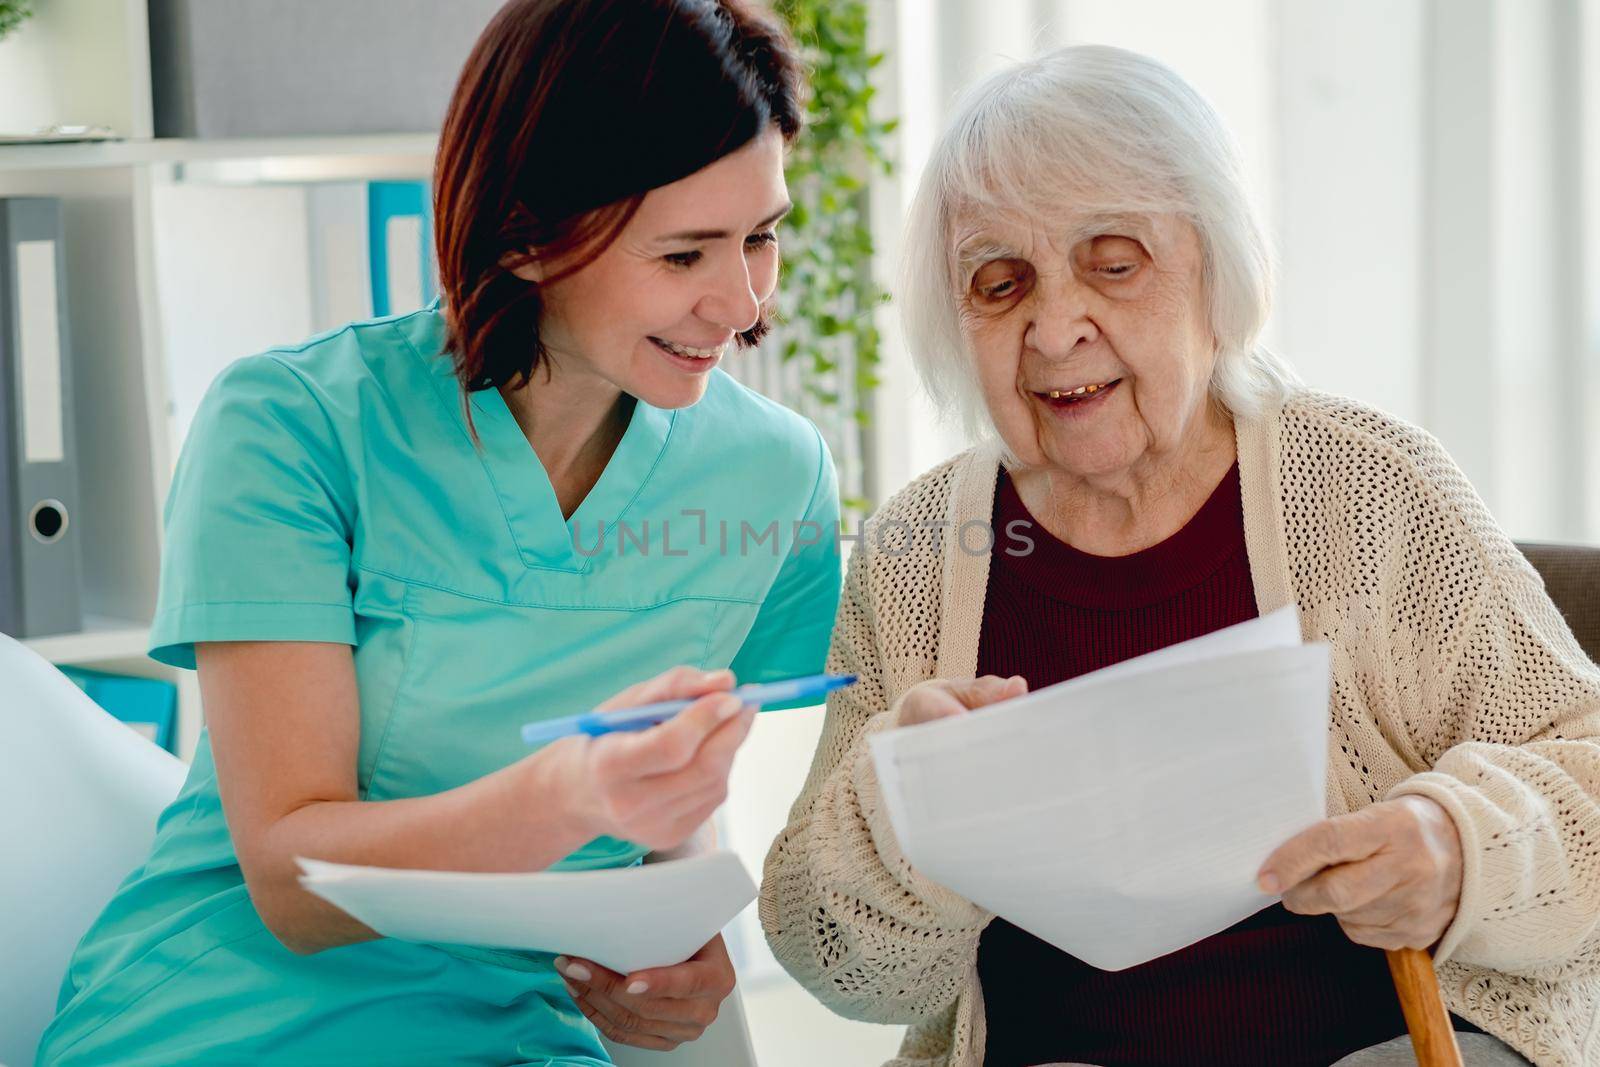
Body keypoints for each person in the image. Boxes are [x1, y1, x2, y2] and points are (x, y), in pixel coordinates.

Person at [760, 44, 1599, 1067]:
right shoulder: (920, 549)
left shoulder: (1370, 490)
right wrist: (902, 812)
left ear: (1215, 270)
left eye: (1113, 264)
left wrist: (1458, 849)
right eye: (998, 281)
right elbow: (832, 962)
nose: (1055, 325)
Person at [39, 1, 840, 1063]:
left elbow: (669, 799)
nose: (739, 304)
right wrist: (564, 794)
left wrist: (676, 945)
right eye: (685, 253)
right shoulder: (292, 427)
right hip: (233, 1015)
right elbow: (293, 882)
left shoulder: (776, 477)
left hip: (515, 1031)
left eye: (761, 237)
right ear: (526, 231)